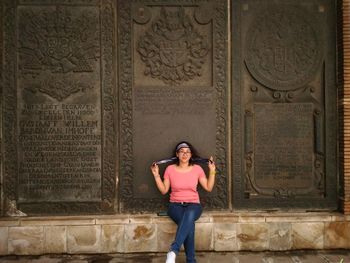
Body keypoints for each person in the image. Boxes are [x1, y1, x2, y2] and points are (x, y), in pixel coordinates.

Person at [151, 141, 216, 263]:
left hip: (194, 205)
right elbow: (164, 190)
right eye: (181, 151)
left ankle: (173, 251)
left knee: (189, 216)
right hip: (175, 206)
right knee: (189, 225)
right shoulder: (170, 169)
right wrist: (156, 175)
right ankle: (191, 260)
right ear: (177, 154)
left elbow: (208, 187)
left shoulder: (197, 169)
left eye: (187, 152)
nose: (185, 154)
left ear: (191, 155)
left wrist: (212, 171)